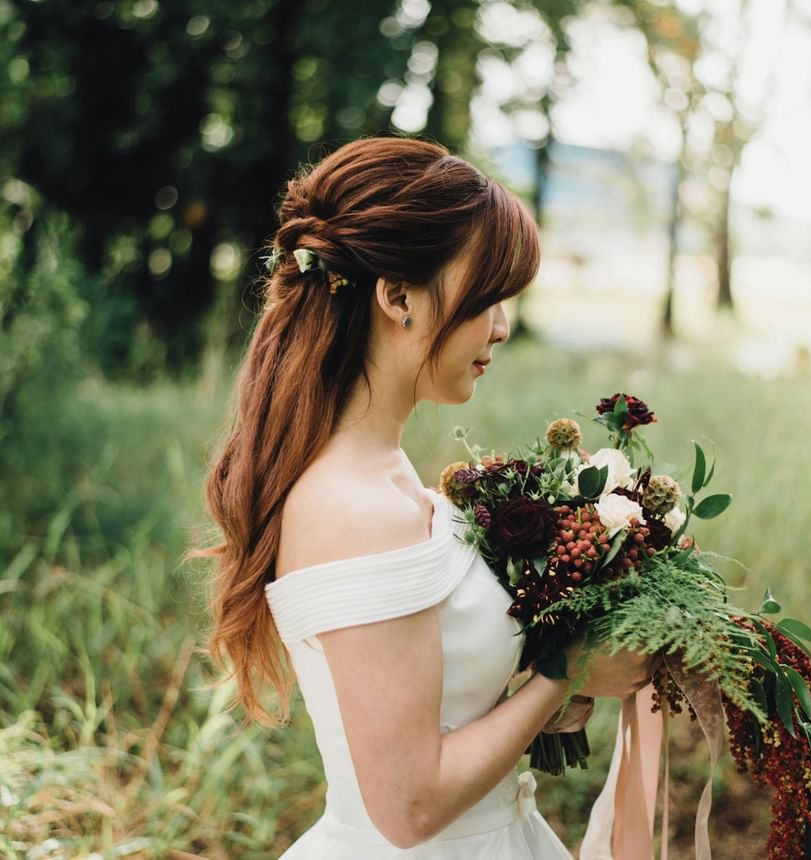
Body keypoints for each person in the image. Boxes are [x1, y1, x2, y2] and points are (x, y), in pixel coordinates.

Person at [200, 136, 655, 858]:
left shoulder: (387, 474)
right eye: (488, 296)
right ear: (398, 296)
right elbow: (409, 808)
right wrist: (565, 671)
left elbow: (441, 703)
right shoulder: (355, 507)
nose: (502, 326)